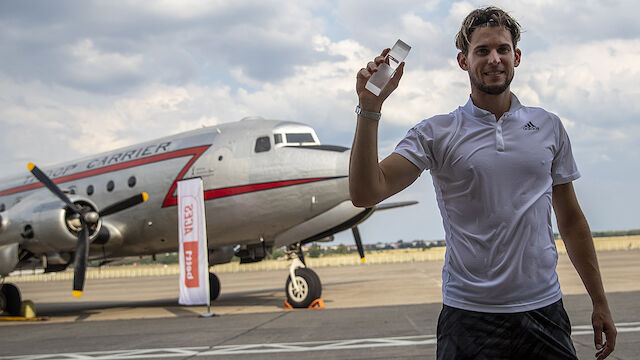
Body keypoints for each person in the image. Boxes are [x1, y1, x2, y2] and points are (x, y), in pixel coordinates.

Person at [350, 6, 616, 360]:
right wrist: (369, 108)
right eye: (482, 51)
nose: (494, 59)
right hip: (469, 316)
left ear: (516, 56)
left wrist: (600, 301)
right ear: (463, 61)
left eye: (502, 49)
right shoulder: (436, 133)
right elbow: (366, 192)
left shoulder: (548, 126)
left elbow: (571, 221)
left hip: (543, 309)